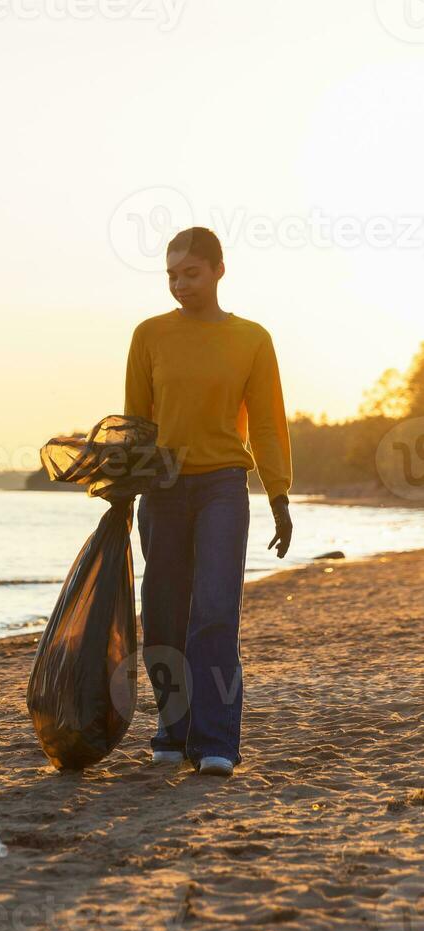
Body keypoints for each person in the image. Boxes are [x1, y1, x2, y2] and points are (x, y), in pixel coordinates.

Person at [124, 227, 292, 778]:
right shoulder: (149, 335)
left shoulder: (252, 339)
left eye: (190, 273)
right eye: (171, 275)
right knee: (166, 616)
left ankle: (215, 738)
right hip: (163, 488)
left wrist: (279, 494)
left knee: (216, 611)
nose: (179, 285)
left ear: (219, 270)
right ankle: (174, 727)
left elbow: (267, 424)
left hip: (223, 483)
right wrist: (125, 493)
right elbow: (137, 425)